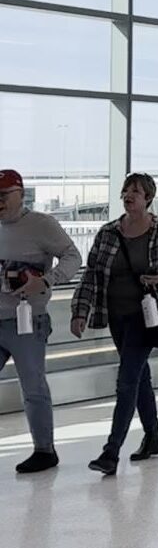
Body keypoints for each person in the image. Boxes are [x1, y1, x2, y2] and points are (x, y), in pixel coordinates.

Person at [71, 173, 158, 477]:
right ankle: (153, 436)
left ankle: (111, 451)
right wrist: (80, 312)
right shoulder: (108, 233)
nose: (129, 195)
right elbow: (92, 275)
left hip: (148, 316)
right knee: (139, 377)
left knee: (127, 380)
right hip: (117, 316)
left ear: (148, 197)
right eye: (126, 190)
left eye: (136, 191)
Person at [0, 169, 82, 474]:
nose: (0, 202)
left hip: (27, 321)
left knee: (33, 386)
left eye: (5, 195)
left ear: (21, 194)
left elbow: (73, 256)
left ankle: (44, 450)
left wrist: (47, 281)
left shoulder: (41, 225)